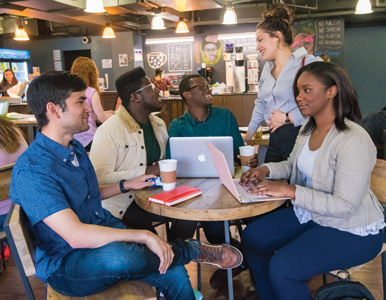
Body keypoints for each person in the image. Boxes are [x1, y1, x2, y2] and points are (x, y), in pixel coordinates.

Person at [9, 70, 243, 299]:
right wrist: (145, 236)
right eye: (81, 101)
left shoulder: (74, 149)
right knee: (124, 255)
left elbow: (88, 194)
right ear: (53, 109)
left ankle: (177, 251)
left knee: (174, 271)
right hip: (66, 261)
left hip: (99, 232)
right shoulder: (33, 168)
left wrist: (126, 184)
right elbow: (75, 236)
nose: (89, 108)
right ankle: (190, 249)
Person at [240, 62, 385, 300]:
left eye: (307, 90)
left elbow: (345, 206)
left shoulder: (353, 139)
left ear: (332, 91)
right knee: (253, 238)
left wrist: (289, 191)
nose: (299, 97)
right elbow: (292, 164)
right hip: (315, 213)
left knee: (284, 268)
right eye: (298, 91)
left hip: (351, 228)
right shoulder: (309, 127)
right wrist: (265, 170)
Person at [167, 74, 257, 288]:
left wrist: (249, 159)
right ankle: (175, 281)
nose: (209, 90)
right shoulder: (177, 126)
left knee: (213, 227)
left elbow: (237, 153)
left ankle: (238, 259)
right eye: (202, 87)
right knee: (185, 224)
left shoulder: (225, 115)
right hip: (193, 190)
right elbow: (175, 163)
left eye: (208, 86)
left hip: (227, 186)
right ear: (187, 95)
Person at [90, 67, 193, 240]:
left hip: (155, 194)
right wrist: (144, 172)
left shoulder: (158, 124)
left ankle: (174, 255)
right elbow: (98, 179)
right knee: (149, 237)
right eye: (151, 88)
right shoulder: (109, 131)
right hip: (124, 202)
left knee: (189, 214)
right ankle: (172, 255)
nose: (158, 91)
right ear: (135, 97)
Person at [244, 5, 322, 163]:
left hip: (300, 135)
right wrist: (247, 139)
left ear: (277, 36)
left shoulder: (307, 63)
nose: (257, 47)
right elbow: (260, 103)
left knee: (294, 184)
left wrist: (288, 118)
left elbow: (324, 102)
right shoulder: (267, 68)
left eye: (260, 40)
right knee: (268, 181)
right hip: (275, 137)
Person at [71, 57, 114, 151]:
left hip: (73, 139)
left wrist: (106, 112)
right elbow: (102, 118)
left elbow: (93, 114)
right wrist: (114, 115)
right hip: (89, 139)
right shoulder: (91, 92)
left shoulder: (69, 92)